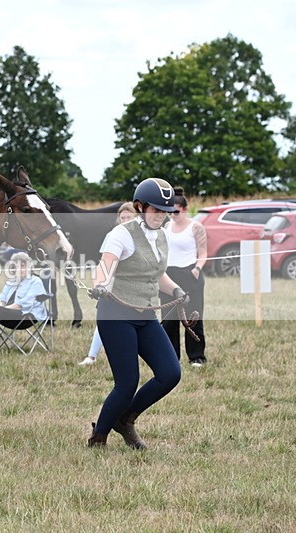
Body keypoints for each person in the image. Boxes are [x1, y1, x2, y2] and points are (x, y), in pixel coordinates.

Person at [86, 177, 187, 449]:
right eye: (156, 210)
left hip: (145, 314)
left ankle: (126, 419)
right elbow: (106, 265)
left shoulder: (162, 235)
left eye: (166, 211)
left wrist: (176, 290)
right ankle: (98, 437)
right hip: (115, 314)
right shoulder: (121, 234)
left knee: (170, 373)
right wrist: (100, 285)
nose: (161, 216)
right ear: (140, 206)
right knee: (127, 382)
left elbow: (157, 274)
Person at [79, 202, 137, 366]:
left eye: (129, 217)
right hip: (114, 285)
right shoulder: (113, 235)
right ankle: (91, 356)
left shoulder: (142, 236)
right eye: (122, 217)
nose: (125, 220)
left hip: (136, 287)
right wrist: (99, 283)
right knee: (105, 320)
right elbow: (103, 263)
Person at [161, 186, 207, 366]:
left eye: (177, 212)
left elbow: (203, 252)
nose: (173, 215)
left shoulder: (196, 227)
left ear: (185, 210)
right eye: (170, 212)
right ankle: (172, 357)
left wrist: (197, 269)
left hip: (189, 273)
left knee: (192, 317)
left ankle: (196, 356)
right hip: (169, 275)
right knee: (168, 319)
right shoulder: (166, 226)